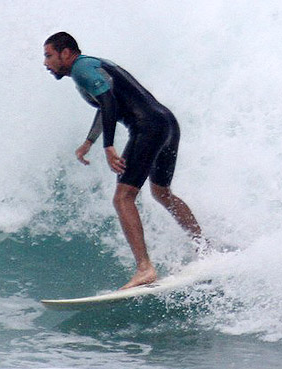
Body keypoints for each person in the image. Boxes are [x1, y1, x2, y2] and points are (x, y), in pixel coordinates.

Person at [43, 31, 206, 290]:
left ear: (65, 53)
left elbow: (108, 102)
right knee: (162, 193)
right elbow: (107, 105)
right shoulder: (93, 64)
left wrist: (108, 146)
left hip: (148, 129)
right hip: (166, 123)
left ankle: (145, 268)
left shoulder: (82, 69)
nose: (45, 63)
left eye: (49, 55)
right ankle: (204, 249)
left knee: (122, 198)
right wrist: (89, 142)